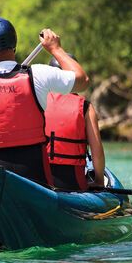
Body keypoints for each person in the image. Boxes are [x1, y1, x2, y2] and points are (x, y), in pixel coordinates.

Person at [0, 17, 90, 185]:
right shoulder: (39, 74)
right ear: (14, 42)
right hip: (35, 176)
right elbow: (82, 81)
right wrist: (56, 49)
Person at [46, 57, 105, 190]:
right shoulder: (85, 107)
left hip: (39, 179)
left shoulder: (37, 100)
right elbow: (97, 151)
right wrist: (99, 180)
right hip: (72, 182)